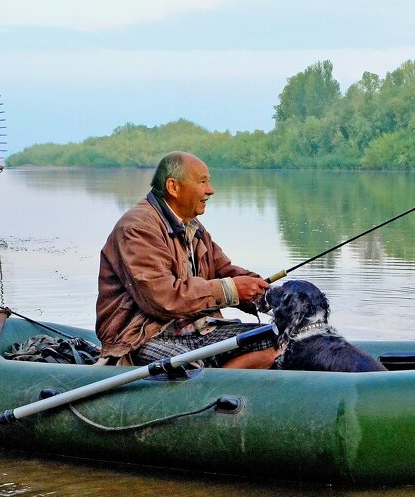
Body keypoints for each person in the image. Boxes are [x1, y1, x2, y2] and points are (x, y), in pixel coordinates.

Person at [96, 152, 278, 369]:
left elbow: (225, 271)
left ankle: (221, 388)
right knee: (187, 367)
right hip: (142, 338)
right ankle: (214, 393)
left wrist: (272, 295)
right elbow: (164, 298)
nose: (210, 190)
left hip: (198, 329)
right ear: (173, 187)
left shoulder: (193, 226)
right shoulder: (138, 227)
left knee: (280, 340)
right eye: (202, 182)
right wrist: (231, 290)